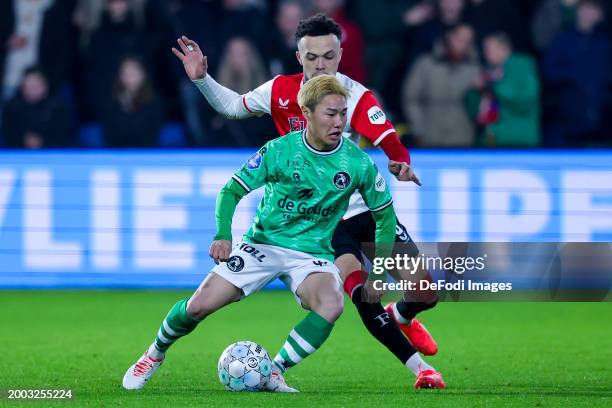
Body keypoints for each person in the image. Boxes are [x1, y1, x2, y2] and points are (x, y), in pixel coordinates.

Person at [171, 13, 445, 388]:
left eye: (329, 56)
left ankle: (403, 315)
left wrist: (401, 162)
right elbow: (233, 106)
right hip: (325, 223)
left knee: (425, 291)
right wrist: (202, 78)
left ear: (340, 54)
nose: (321, 65)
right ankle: (422, 371)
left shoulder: (356, 96)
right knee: (363, 293)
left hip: (366, 210)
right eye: (312, 57)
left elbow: (387, 139)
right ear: (299, 57)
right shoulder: (281, 91)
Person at [403, 24, 480, 146]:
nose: (463, 43)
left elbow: (479, 107)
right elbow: (411, 98)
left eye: (468, 40)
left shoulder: (474, 68)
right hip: (429, 135)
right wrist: (418, 128)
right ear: (449, 37)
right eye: (460, 38)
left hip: (463, 137)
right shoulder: (425, 64)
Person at [99, 56, 164, 147]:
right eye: (126, 73)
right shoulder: (111, 103)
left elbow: (148, 135)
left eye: (134, 72)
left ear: (143, 74)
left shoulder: (154, 104)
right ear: (120, 76)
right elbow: (111, 135)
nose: (130, 77)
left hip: (146, 154)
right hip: (116, 153)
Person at [1, 66, 72, 148]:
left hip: (52, 151)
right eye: (29, 86)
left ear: (45, 86)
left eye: (36, 86)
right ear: (22, 87)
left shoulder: (59, 106)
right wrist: (23, 140)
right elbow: (7, 133)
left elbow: (64, 134)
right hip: (17, 152)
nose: (33, 90)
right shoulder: (11, 107)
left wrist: (43, 141)